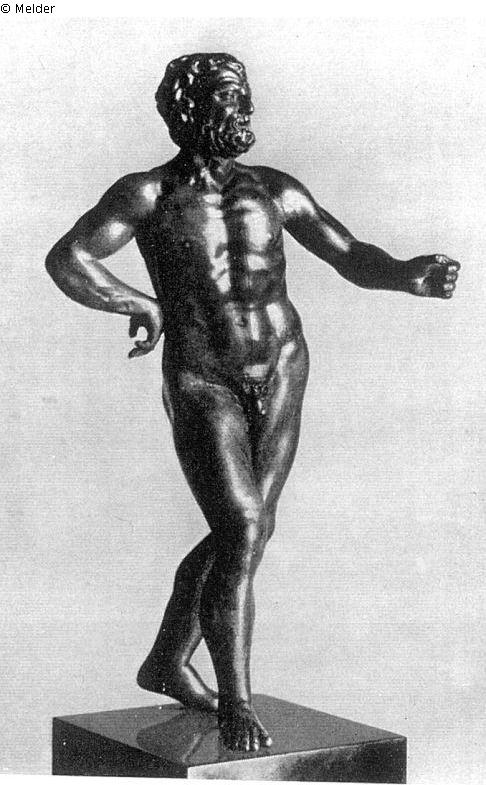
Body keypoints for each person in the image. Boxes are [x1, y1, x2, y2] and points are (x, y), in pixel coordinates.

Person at [45, 52, 460, 753]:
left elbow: (348, 252)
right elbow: (69, 258)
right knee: (240, 525)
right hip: (203, 376)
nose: (247, 111)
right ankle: (235, 699)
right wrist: (137, 302)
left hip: (284, 364)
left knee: (249, 529)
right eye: (234, 98)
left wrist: (404, 275)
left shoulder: (274, 190)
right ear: (192, 108)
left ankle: (166, 660)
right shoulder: (147, 194)